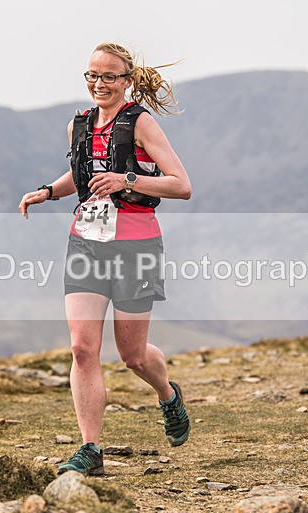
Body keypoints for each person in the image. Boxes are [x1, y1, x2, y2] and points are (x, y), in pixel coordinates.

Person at [18, 42, 192, 476]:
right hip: (86, 242)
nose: (99, 84)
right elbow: (82, 175)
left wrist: (127, 179)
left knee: (132, 355)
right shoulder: (79, 124)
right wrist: (47, 191)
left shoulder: (141, 123)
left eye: (109, 76)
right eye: (92, 76)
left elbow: (181, 184)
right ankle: (91, 449)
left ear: (127, 80)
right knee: (82, 348)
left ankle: (168, 395)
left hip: (136, 245)